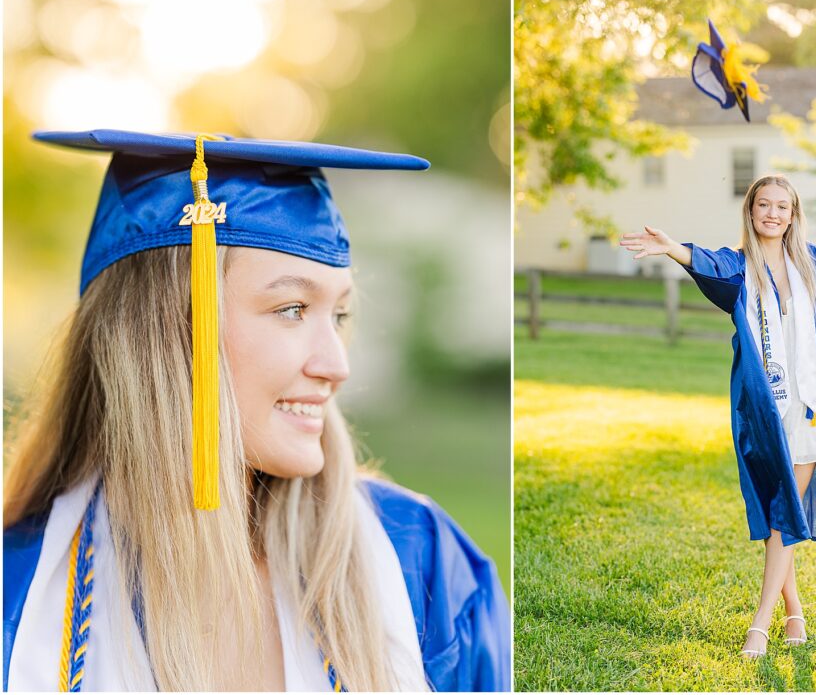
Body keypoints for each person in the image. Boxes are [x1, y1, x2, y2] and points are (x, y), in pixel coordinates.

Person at [3, 130, 511, 691]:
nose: (337, 364)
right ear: (169, 335)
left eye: (338, 315)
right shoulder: (18, 597)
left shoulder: (423, 563)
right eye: (292, 308)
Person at [619, 174, 816, 660]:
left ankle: (762, 625)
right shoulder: (738, 266)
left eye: (781, 207)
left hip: (807, 404)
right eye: (763, 205)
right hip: (765, 406)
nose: (772, 213)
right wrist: (673, 249)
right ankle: (794, 612)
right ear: (751, 211)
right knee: (779, 510)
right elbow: (706, 263)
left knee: (783, 515)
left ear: (793, 215)